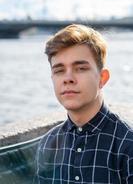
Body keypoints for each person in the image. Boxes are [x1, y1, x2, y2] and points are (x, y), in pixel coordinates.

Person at [35, 24, 133, 183]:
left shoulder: (127, 145)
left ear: (102, 78)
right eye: (59, 70)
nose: (68, 78)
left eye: (80, 68)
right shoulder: (47, 144)